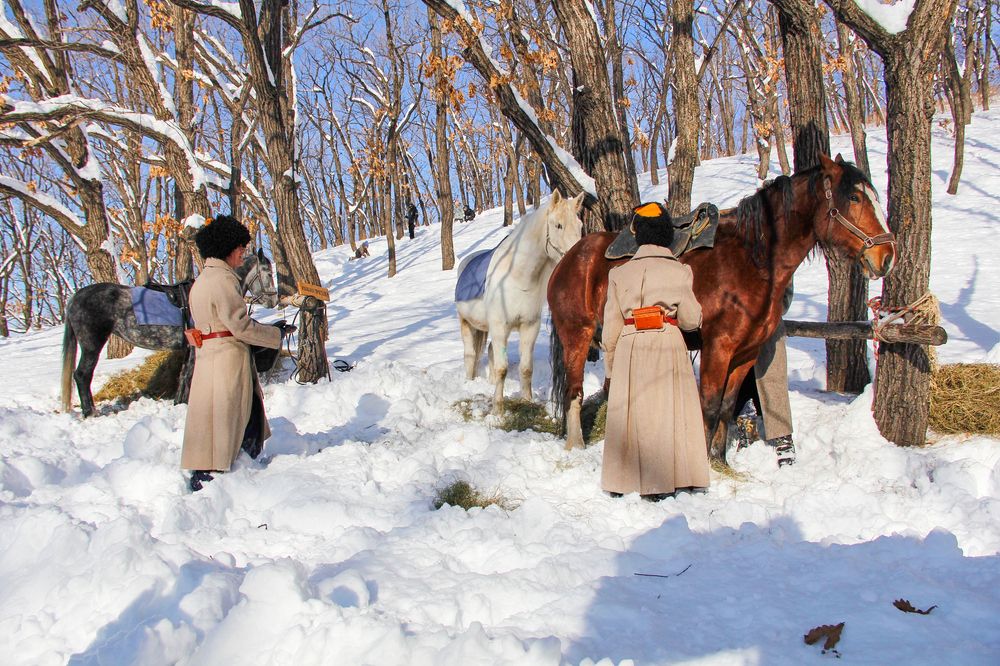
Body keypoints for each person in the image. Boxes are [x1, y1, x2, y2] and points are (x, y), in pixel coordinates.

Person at [601, 202, 709, 499]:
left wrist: (611, 366)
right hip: (667, 340)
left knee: (633, 413)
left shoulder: (619, 275)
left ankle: (626, 479)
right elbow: (690, 319)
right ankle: (678, 475)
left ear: (637, 235)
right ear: (665, 233)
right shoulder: (681, 271)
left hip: (630, 342)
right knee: (669, 410)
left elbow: (610, 327)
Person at [181, 215, 290, 492]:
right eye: (241, 249)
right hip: (228, 358)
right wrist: (274, 335)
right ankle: (224, 475)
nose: (243, 255)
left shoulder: (202, 281)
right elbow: (239, 325)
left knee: (221, 416)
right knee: (235, 416)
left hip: (210, 358)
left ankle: (224, 468)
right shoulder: (223, 281)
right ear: (228, 248)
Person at [734, 282, 795, 466]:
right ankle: (746, 423)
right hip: (738, 318)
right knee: (740, 372)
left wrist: (774, 309)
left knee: (773, 375)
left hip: (769, 316)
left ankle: (782, 435)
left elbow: (786, 293)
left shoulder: (777, 254)